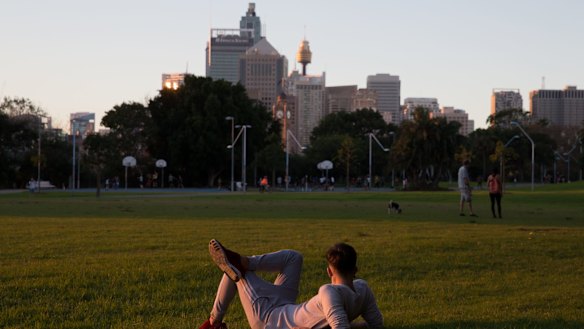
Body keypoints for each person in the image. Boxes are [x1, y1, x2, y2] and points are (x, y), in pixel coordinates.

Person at [199, 240, 383, 329]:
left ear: (329, 271)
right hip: (286, 306)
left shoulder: (329, 292)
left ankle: (213, 323)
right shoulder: (362, 288)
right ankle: (247, 261)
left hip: (268, 320)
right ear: (356, 269)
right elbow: (376, 324)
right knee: (294, 257)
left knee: (237, 271)